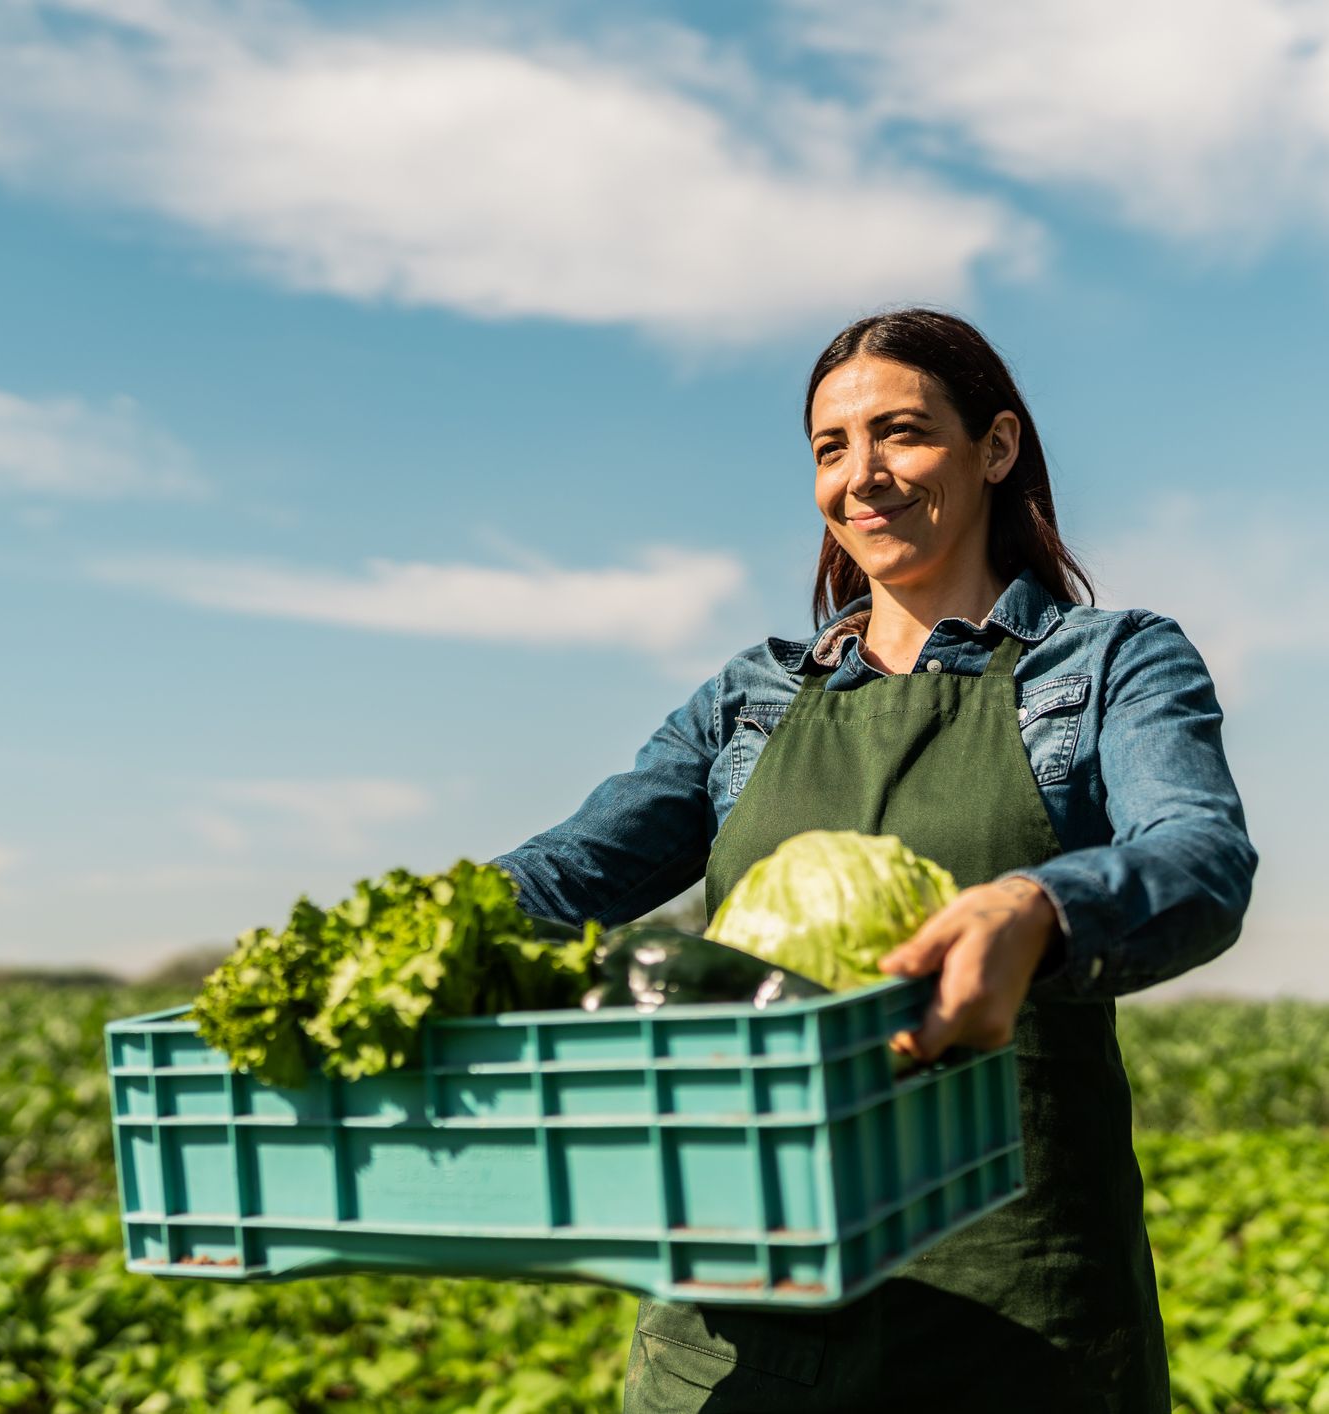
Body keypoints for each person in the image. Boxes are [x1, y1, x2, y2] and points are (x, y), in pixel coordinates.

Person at [494, 309, 1256, 1413]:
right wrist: (426, 936)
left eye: (902, 432)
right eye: (831, 447)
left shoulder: (1107, 664)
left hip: (1019, 1320)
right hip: (739, 1319)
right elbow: (567, 875)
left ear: (995, 447)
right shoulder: (749, 699)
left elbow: (1200, 855)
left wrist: (1037, 909)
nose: (862, 475)